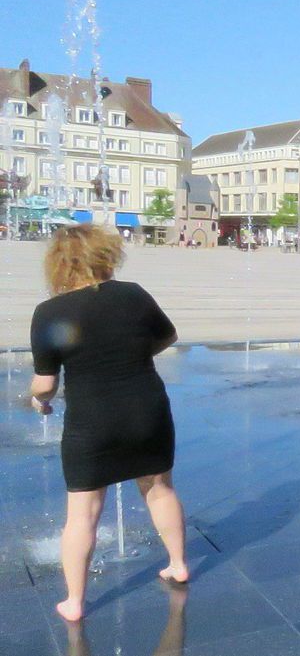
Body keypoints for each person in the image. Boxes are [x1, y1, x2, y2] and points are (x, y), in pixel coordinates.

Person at [28, 225, 186, 622]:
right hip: (147, 409)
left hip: (92, 422)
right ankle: (178, 563)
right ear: (105, 256)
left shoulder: (49, 313)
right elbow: (167, 336)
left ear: (59, 265)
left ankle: (75, 602)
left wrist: (38, 400)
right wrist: (130, 353)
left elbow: (46, 384)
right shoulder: (133, 294)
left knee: (83, 513)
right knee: (159, 488)